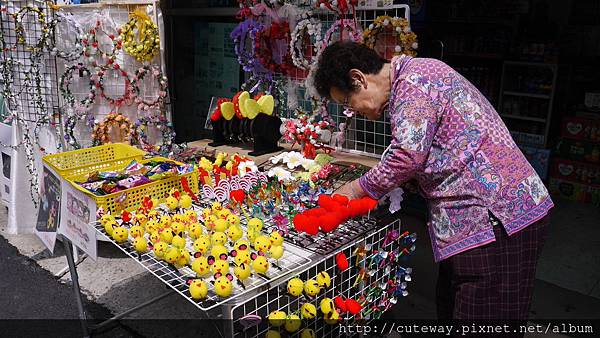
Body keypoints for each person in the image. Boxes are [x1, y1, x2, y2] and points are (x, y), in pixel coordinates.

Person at [313, 41, 553, 326]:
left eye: (346, 103)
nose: (350, 111)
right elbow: (424, 150)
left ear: (359, 79)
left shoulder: (413, 82)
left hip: (497, 218)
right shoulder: (415, 78)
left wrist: (355, 190)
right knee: (457, 306)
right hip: (484, 219)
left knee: (483, 317)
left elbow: (407, 157)